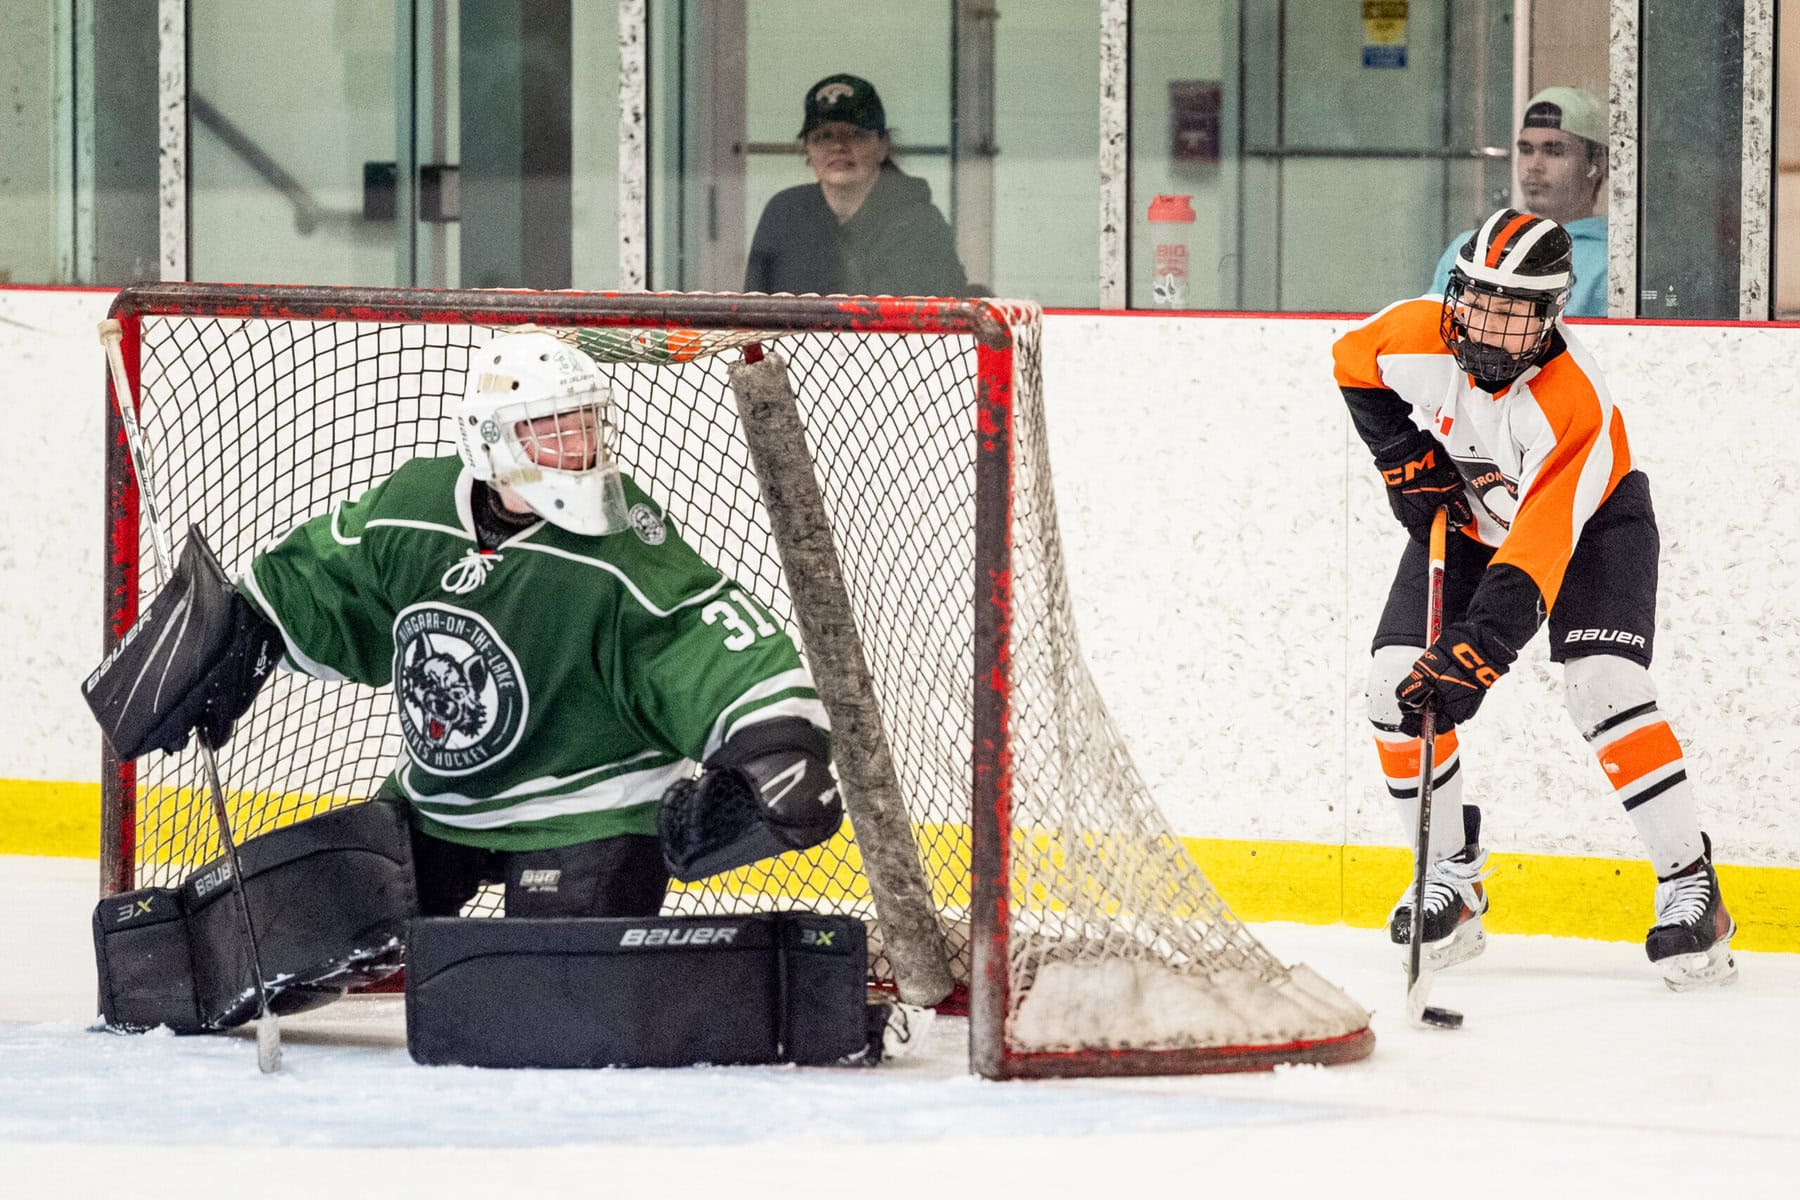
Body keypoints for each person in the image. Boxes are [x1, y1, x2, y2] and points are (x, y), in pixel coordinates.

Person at [225, 330, 844, 919]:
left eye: (583, 427)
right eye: (550, 431)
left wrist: (775, 742)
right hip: (441, 805)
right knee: (288, 922)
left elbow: (690, 629)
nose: (576, 449)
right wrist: (242, 626)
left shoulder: (623, 540)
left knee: (554, 990)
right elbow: (334, 583)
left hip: (593, 807)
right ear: (491, 440)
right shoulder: (413, 508)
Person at [1335, 208, 1737, 991]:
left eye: (1514, 311)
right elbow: (1351, 359)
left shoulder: (1571, 402)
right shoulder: (1416, 335)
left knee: (1604, 686)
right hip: (1471, 517)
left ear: (1552, 315)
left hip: (1593, 525)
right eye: (1478, 300)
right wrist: (1402, 456)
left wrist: (1480, 651)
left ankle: (1693, 887)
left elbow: (1539, 549)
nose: (1488, 325)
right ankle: (1451, 879)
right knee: (1393, 688)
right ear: (1456, 293)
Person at [744, 73, 972, 297]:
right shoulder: (784, 213)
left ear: (883, 145)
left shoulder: (920, 223)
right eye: (823, 136)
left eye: (856, 134)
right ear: (807, 150)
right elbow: (752, 315)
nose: (839, 147)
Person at [1430, 87, 1609, 317]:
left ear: (1597, 162)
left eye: (1554, 151)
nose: (1534, 166)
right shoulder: (1470, 249)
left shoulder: (1612, 262)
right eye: (1526, 150)